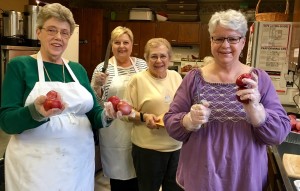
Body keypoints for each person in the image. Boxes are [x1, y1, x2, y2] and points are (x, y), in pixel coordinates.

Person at [163, 9, 291, 191]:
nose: (225, 45)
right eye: (219, 38)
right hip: (201, 176)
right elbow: (170, 122)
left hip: (245, 176)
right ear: (211, 41)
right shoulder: (194, 78)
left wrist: (256, 110)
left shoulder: (258, 79)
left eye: (232, 39)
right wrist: (189, 120)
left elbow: (278, 134)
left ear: (243, 42)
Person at [0, 3, 114, 191]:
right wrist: (36, 112)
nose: (58, 37)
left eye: (64, 32)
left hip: (78, 164)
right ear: (38, 32)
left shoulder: (77, 69)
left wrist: (107, 115)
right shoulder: (20, 66)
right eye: (51, 30)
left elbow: (94, 113)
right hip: (34, 167)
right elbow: (6, 121)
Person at [91, 26, 147, 191]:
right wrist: (96, 86)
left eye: (125, 42)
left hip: (138, 126)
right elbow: (96, 104)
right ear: (111, 45)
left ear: (131, 44)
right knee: (119, 180)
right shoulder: (102, 69)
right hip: (114, 131)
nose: (121, 46)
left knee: (140, 176)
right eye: (117, 42)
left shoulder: (142, 65)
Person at [123, 38, 183, 191]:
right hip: (148, 149)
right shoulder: (137, 80)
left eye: (163, 56)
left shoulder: (176, 77)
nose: (159, 61)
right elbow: (125, 112)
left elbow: (183, 106)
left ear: (169, 58)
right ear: (146, 58)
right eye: (154, 56)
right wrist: (144, 117)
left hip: (176, 147)